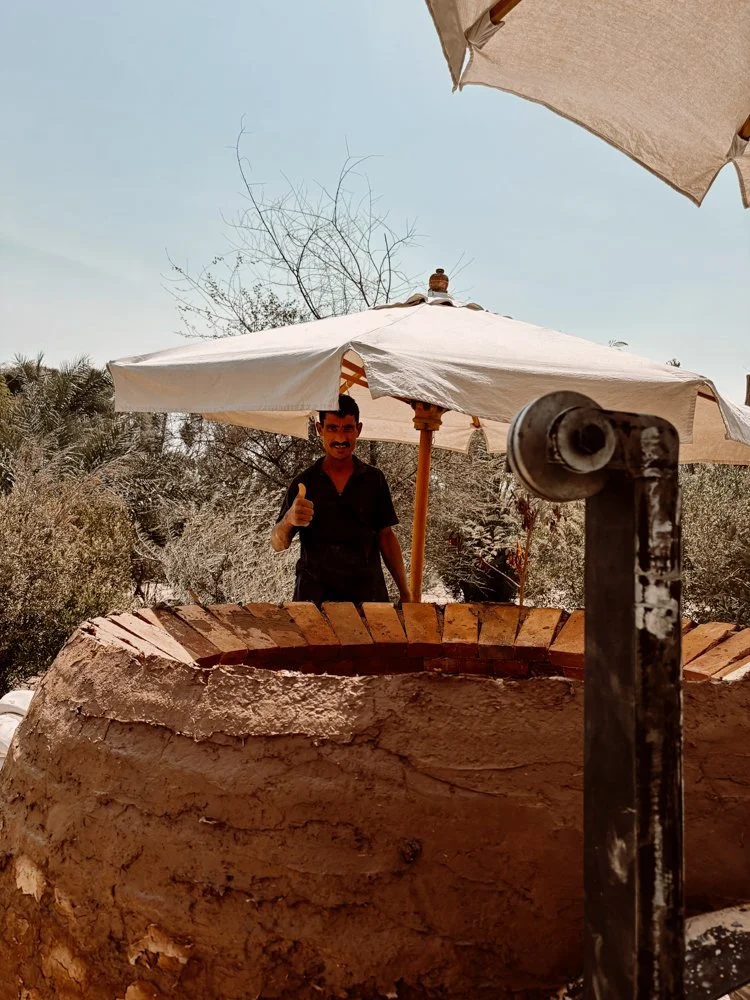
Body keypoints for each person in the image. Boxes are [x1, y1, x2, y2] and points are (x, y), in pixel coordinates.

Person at [271, 395, 411, 605]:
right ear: (319, 429)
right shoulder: (303, 483)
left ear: (358, 429)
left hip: (368, 600)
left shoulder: (374, 479)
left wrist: (405, 592)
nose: (340, 438)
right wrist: (289, 519)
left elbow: (386, 536)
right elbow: (278, 544)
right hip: (313, 601)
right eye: (332, 428)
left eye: (347, 428)